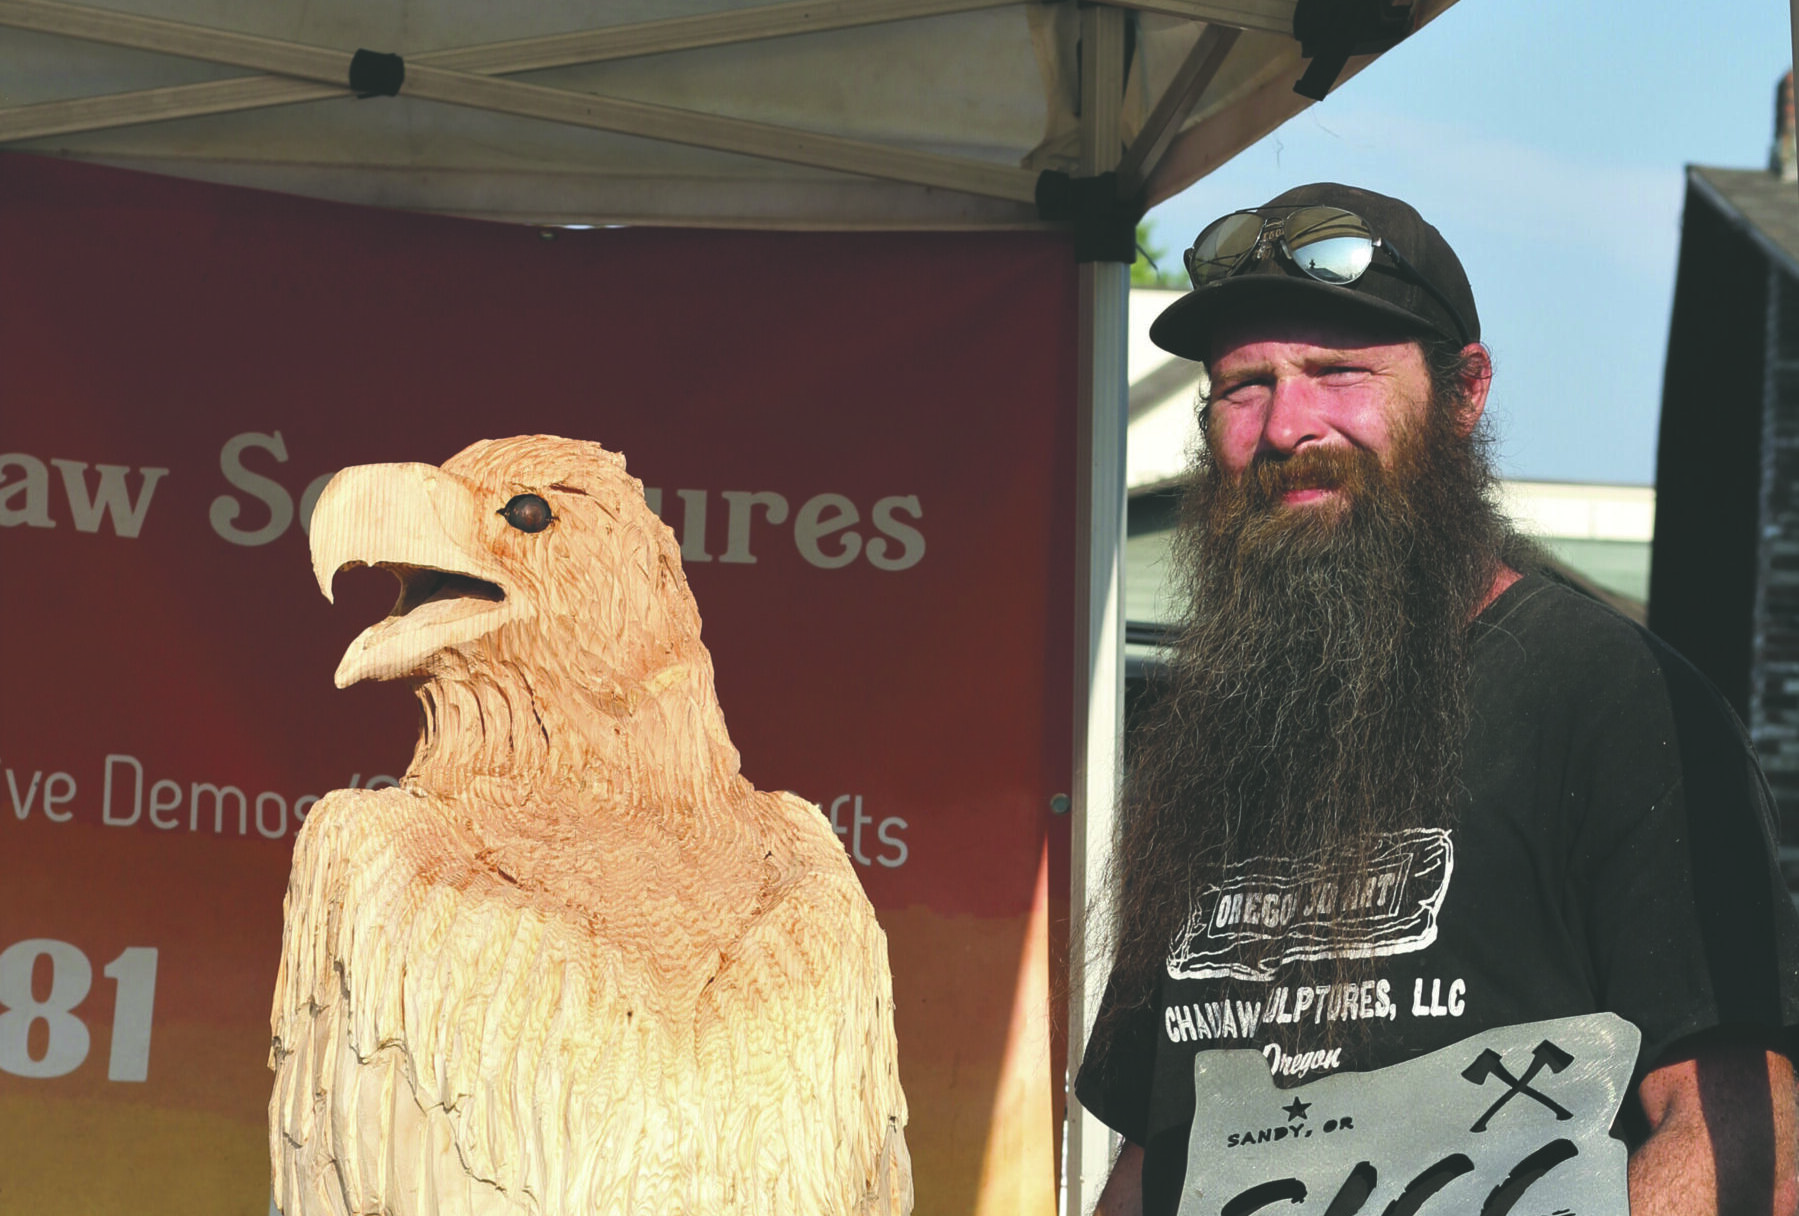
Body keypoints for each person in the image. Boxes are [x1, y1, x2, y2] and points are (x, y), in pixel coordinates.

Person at [1075, 182, 1799, 1216]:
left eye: (1337, 372)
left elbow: (1743, 1148)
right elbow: (1155, 1162)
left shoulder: (1611, 702)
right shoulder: (1208, 745)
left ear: (1463, 394)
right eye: (1242, 386)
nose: (1286, 425)